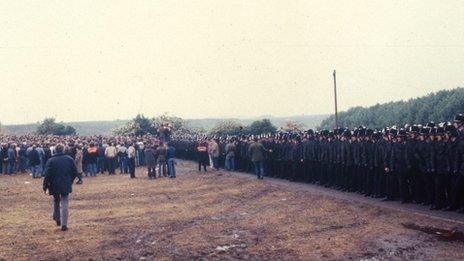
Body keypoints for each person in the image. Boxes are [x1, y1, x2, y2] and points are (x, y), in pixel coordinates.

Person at [43, 144, 78, 231]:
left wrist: (45, 185)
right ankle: (64, 224)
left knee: (56, 200)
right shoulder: (69, 159)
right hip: (66, 183)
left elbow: (47, 174)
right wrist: (71, 180)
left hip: (54, 184)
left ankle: (58, 219)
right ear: (63, 150)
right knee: (65, 202)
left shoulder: (51, 160)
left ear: (55, 150)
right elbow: (74, 171)